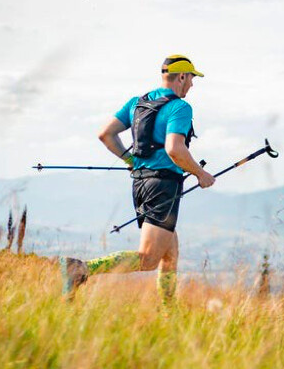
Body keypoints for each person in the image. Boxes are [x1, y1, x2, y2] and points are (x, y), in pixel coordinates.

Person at [59, 54, 216, 303]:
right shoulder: (180, 107)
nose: (192, 84)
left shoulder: (137, 103)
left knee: (170, 252)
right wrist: (200, 173)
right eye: (191, 78)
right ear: (181, 77)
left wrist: (130, 161)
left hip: (141, 183)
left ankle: (168, 312)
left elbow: (105, 134)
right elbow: (174, 149)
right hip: (163, 186)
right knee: (149, 258)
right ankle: (80, 268)